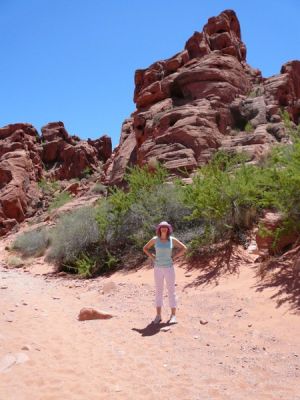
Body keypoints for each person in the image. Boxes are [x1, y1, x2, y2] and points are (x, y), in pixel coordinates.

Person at [143, 221, 187, 324]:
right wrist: (152, 257)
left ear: (168, 229)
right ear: (159, 229)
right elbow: (145, 248)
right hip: (158, 268)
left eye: (165, 227)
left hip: (169, 268)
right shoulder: (155, 239)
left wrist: (174, 257)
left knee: (171, 291)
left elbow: (184, 248)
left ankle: (173, 315)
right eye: (162, 227)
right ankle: (158, 315)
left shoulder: (172, 240)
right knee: (159, 291)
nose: (164, 229)